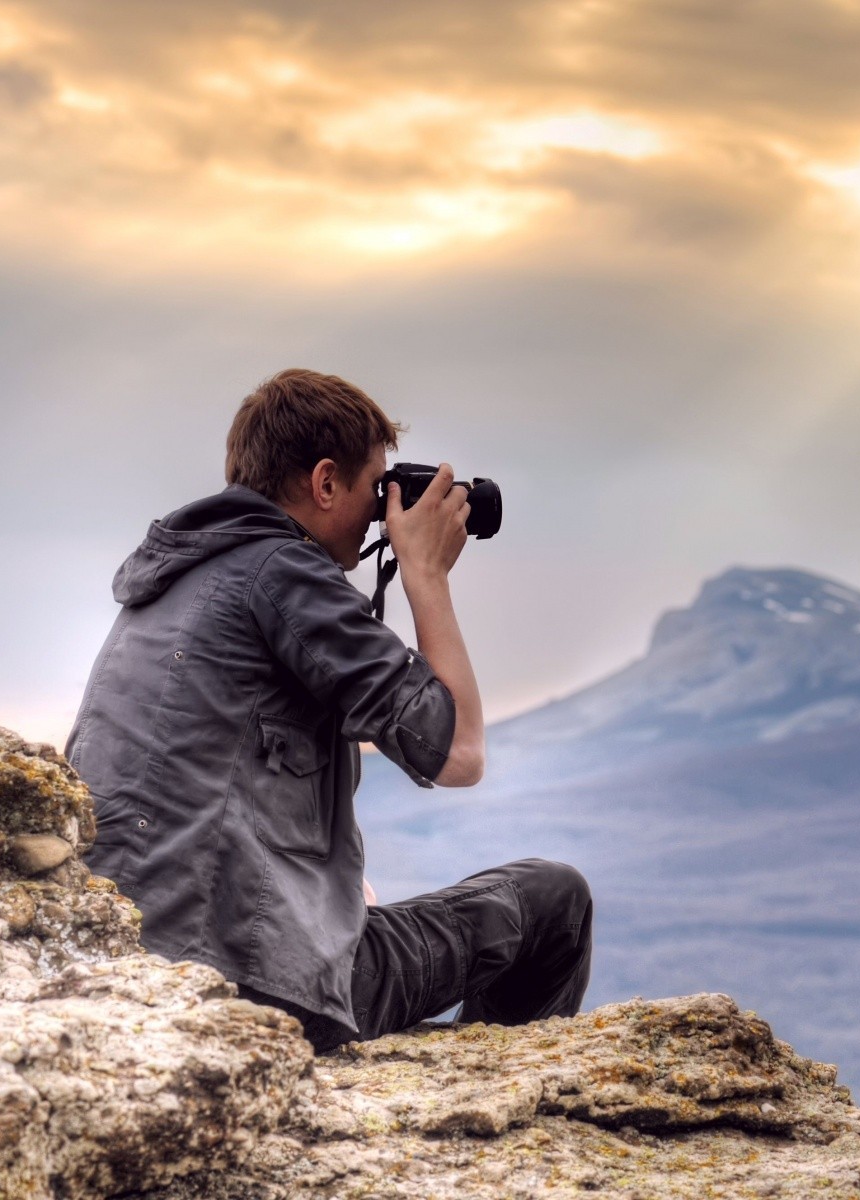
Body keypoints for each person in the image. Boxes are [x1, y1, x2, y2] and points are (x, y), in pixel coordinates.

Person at [65, 367, 592, 1052]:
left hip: (136, 966)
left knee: (377, 932)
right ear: (323, 483)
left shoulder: (174, 580)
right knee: (553, 901)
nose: (384, 507)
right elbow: (460, 752)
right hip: (251, 985)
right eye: (377, 486)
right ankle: (492, 1108)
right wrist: (425, 574)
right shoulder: (282, 574)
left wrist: (332, 894)